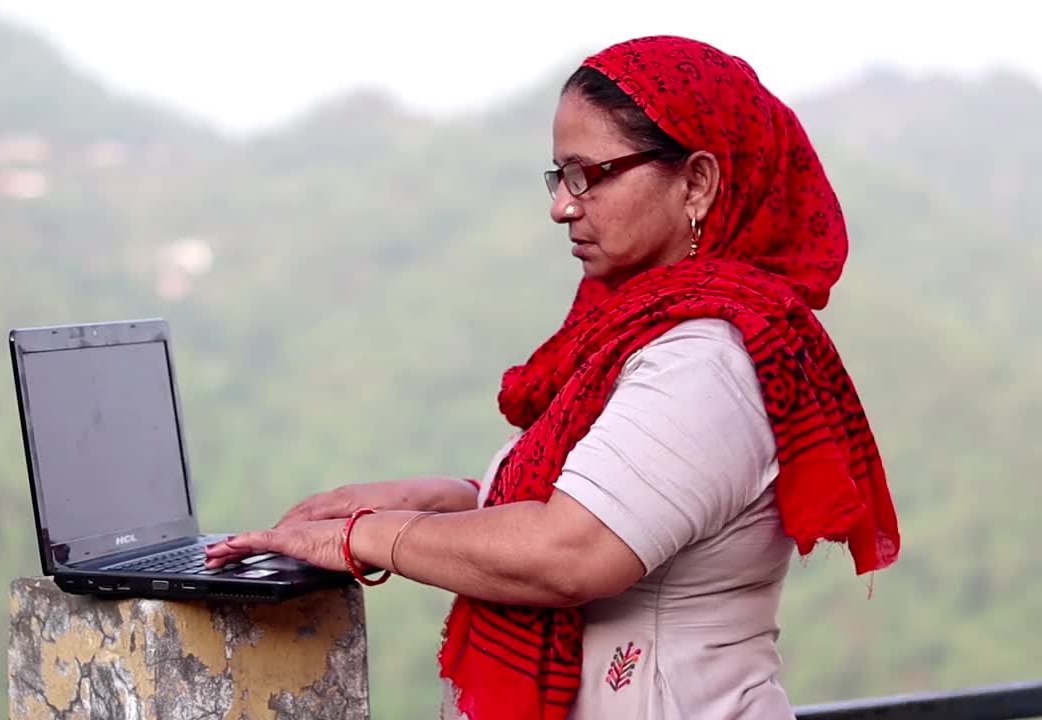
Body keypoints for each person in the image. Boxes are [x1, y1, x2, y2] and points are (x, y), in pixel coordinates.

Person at [205, 35, 901, 720]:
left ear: (696, 182)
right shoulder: (639, 331)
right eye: (558, 176)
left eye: (587, 174)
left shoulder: (708, 357)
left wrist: (363, 535)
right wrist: (446, 499)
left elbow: (573, 552)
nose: (562, 206)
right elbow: (616, 499)